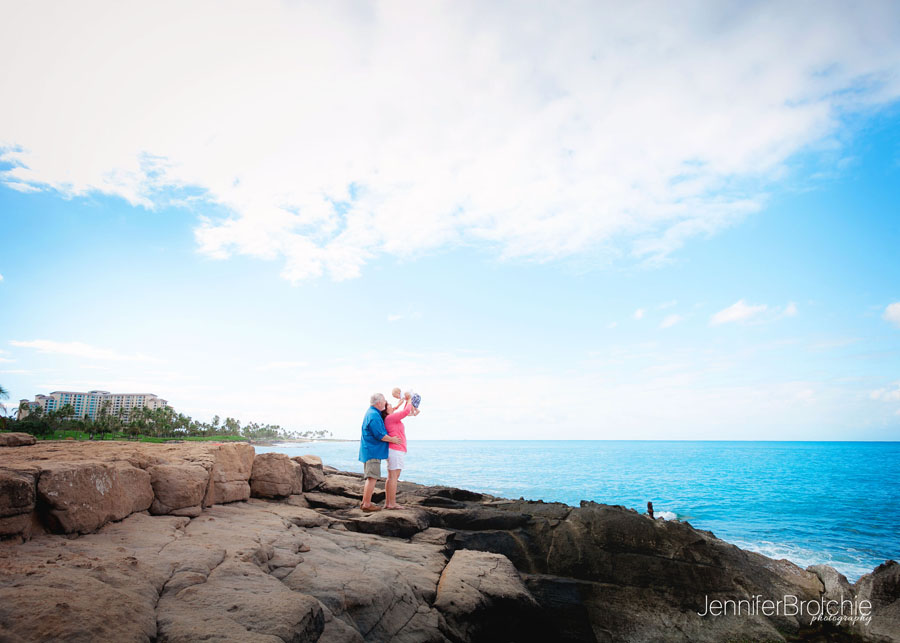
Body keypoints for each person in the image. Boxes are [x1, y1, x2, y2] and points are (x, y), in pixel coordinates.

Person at [358, 393, 401, 512]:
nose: (385, 403)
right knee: (372, 477)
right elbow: (380, 435)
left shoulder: (373, 413)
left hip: (371, 450)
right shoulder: (373, 415)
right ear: (378, 403)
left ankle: (365, 503)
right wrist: (393, 440)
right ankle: (366, 504)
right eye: (383, 401)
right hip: (372, 451)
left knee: (371, 477)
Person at [382, 394, 413, 509]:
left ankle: (388, 503)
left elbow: (399, 409)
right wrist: (409, 399)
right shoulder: (390, 418)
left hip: (395, 450)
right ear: (386, 409)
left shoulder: (390, 417)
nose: (392, 405)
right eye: (389, 404)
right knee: (394, 477)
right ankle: (392, 503)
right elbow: (405, 412)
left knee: (391, 476)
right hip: (395, 450)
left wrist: (403, 401)